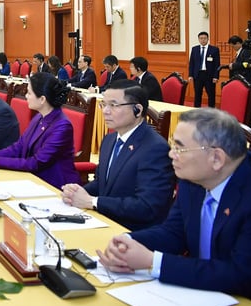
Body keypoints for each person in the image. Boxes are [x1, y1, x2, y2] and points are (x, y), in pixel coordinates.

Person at [97, 109, 251, 305]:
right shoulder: (194, 178)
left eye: (180, 148)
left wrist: (152, 261)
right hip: (204, 292)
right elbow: (174, 233)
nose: (171, 154)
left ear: (217, 158)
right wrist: (128, 241)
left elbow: (242, 275)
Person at [62, 80, 174, 230]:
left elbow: (147, 206)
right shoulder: (109, 140)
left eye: (113, 105)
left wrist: (92, 202)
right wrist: (76, 192)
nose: (105, 111)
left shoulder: (155, 148)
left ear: (137, 110)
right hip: (104, 220)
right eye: (104, 104)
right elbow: (102, 184)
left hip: (133, 232)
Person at [0, 73, 79, 188]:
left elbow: (37, 162)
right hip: (32, 178)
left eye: (29, 93)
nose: (26, 96)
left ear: (42, 99)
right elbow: (19, 147)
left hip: (55, 185)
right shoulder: (39, 117)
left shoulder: (62, 126)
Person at [188, 31, 220, 107]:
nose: (203, 40)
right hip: (198, 75)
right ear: (198, 39)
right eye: (201, 38)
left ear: (208, 39)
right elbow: (192, 63)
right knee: (197, 94)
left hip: (209, 75)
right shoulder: (194, 49)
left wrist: (216, 76)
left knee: (211, 94)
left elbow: (217, 64)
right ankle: (196, 109)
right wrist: (190, 75)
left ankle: (211, 110)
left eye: (205, 38)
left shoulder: (214, 49)